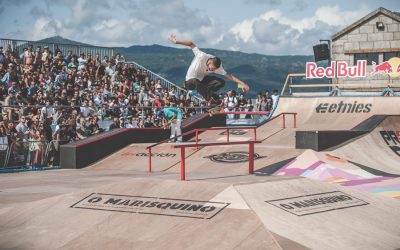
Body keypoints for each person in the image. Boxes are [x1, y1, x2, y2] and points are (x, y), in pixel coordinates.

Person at [168, 34, 249, 102]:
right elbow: (191, 44)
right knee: (195, 81)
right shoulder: (201, 56)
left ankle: (205, 95)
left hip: (202, 81)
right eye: (212, 68)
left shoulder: (217, 66)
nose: (212, 70)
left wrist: (242, 83)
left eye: (214, 70)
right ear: (209, 62)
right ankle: (209, 98)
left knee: (221, 82)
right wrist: (176, 41)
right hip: (190, 82)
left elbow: (229, 76)